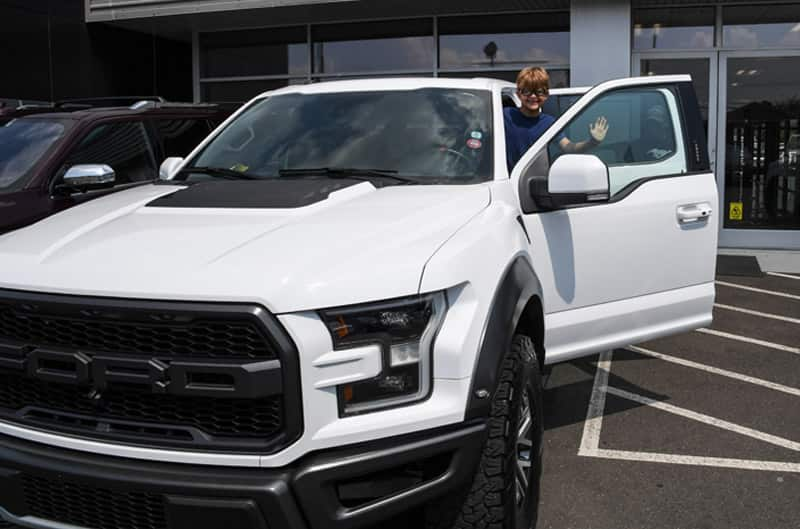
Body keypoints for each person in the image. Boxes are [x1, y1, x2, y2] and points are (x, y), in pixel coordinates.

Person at [504, 67, 609, 171]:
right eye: (527, 91)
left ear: (546, 95)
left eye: (539, 92)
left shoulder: (549, 123)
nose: (533, 96)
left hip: (532, 182)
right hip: (504, 181)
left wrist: (592, 142)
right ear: (518, 94)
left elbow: (569, 147)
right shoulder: (506, 115)